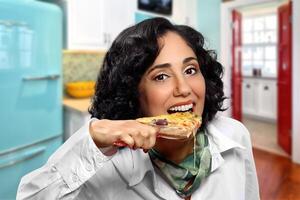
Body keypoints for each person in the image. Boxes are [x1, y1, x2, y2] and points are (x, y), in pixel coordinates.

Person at [17, 17, 259, 200]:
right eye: (161, 76)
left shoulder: (236, 136)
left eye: (190, 70)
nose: (184, 88)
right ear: (133, 92)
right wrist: (90, 140)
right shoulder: (106, 167)